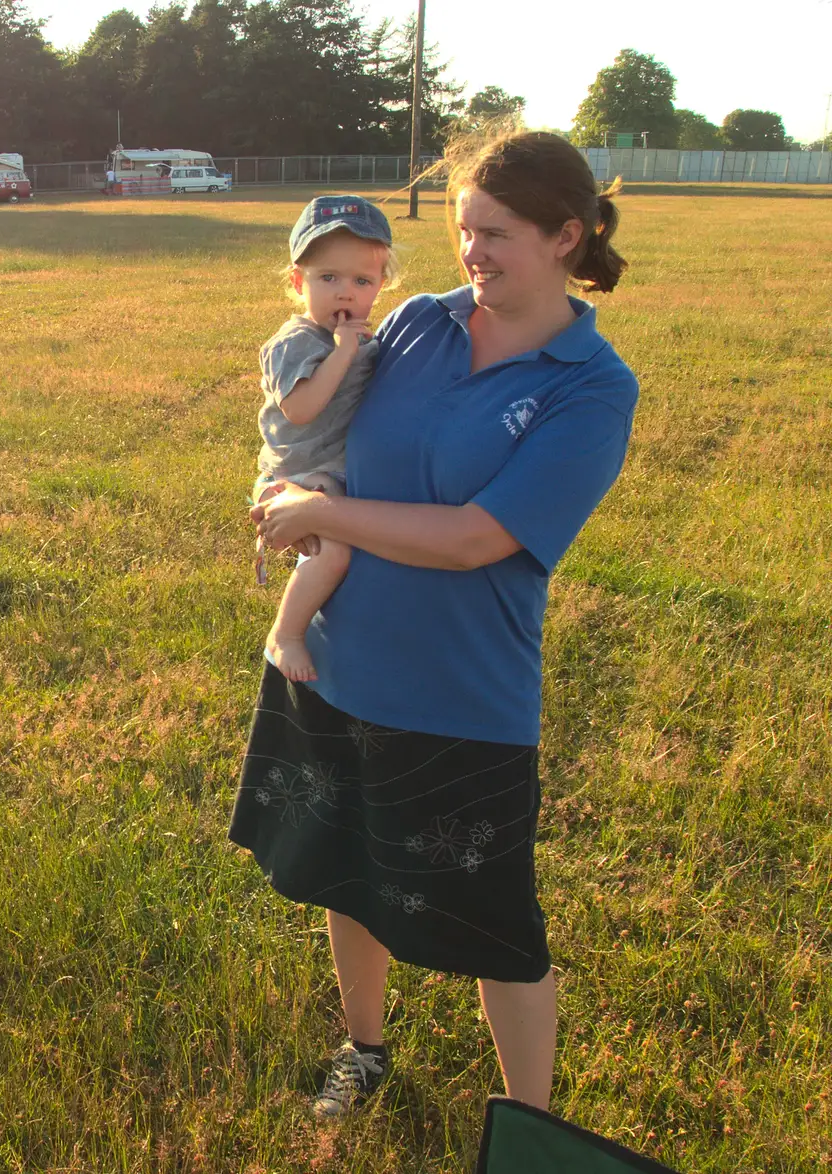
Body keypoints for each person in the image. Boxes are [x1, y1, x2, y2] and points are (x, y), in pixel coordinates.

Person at [231, 130, 637, 1118]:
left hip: (461, 693)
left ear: (565, 235)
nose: (473, 254)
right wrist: (294, 489)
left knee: (499, 928)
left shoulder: (589, 386)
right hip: (335, 663)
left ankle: (529, 1125)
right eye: (462, 232)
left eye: (494, 234)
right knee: (345, 877)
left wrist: (322, 516)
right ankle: (363, 1049)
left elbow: (475, 538)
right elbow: (315, 428)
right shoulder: (411, 324)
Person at [254, 195, 399, 683]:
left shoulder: (361, 339)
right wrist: (342, 353)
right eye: (328, 278)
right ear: (299, 282)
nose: (345, 293)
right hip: (294, 475)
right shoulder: (294, 342)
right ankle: (286, 633)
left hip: (337, 470)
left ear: (381, 286)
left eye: (362, 281)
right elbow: (301, 410)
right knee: (335, 550)